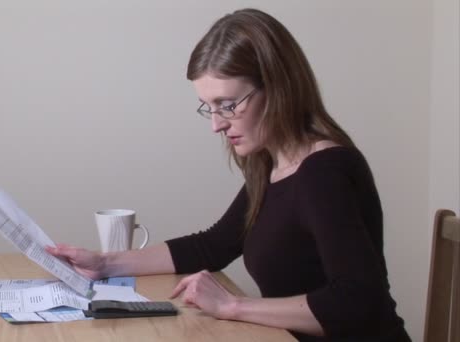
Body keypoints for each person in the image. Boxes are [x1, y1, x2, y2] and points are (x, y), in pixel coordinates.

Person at [46, 8, 411, 341]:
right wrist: (104, 263)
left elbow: (357, 301)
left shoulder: (323, 173)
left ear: (278, 87)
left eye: (228, 105)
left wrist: (232, 306)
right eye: (209, 108)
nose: (217, 125)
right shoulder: (271, 164)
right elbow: (214, 245)